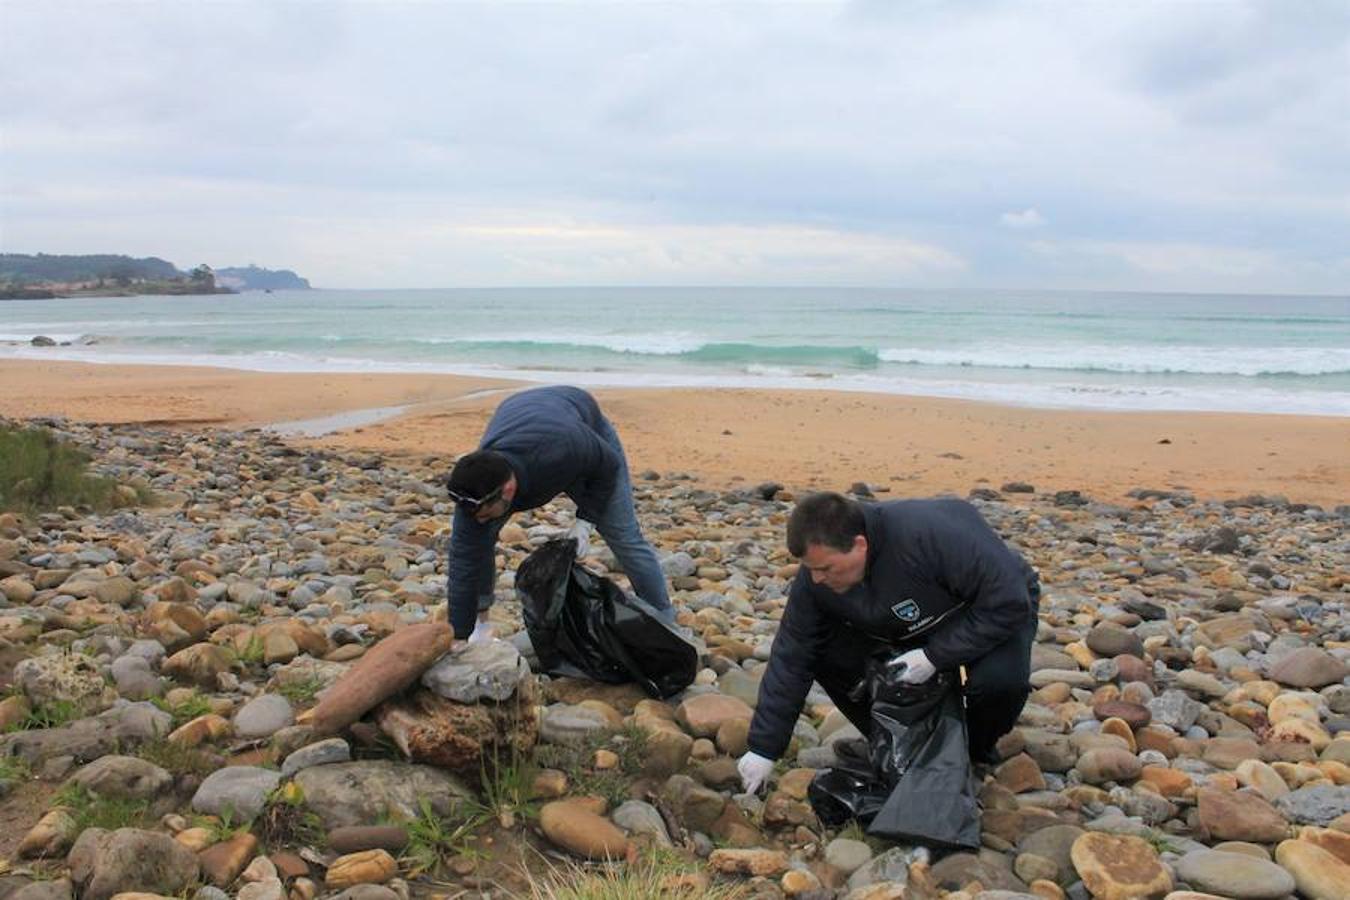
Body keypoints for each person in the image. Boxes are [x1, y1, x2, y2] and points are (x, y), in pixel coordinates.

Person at [738, 491, 1039, 794]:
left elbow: (1009, 603)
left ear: (860, 545)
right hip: (904, 623)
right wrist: (764, 748)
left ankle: (974, 752)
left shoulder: (934, 536)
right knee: (825, 654)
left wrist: (934, 656)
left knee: (999, 683)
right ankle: (895, 746)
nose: (816, 579)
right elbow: (793, 654)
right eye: (810, 569)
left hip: (987, 607)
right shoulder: (817, 580)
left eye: (825, 569)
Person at [445, 385, 673, 645]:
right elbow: (463, 563)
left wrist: (585, 522)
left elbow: (608, 466)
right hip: (526, 415)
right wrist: (459, 638)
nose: (479, 520)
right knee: (477, 540)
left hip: (586, 438)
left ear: (508, 491)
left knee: (624, 537)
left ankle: (665, 621)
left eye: (486, 514)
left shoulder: (563, 448)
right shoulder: (478, 489)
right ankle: (480, 626)